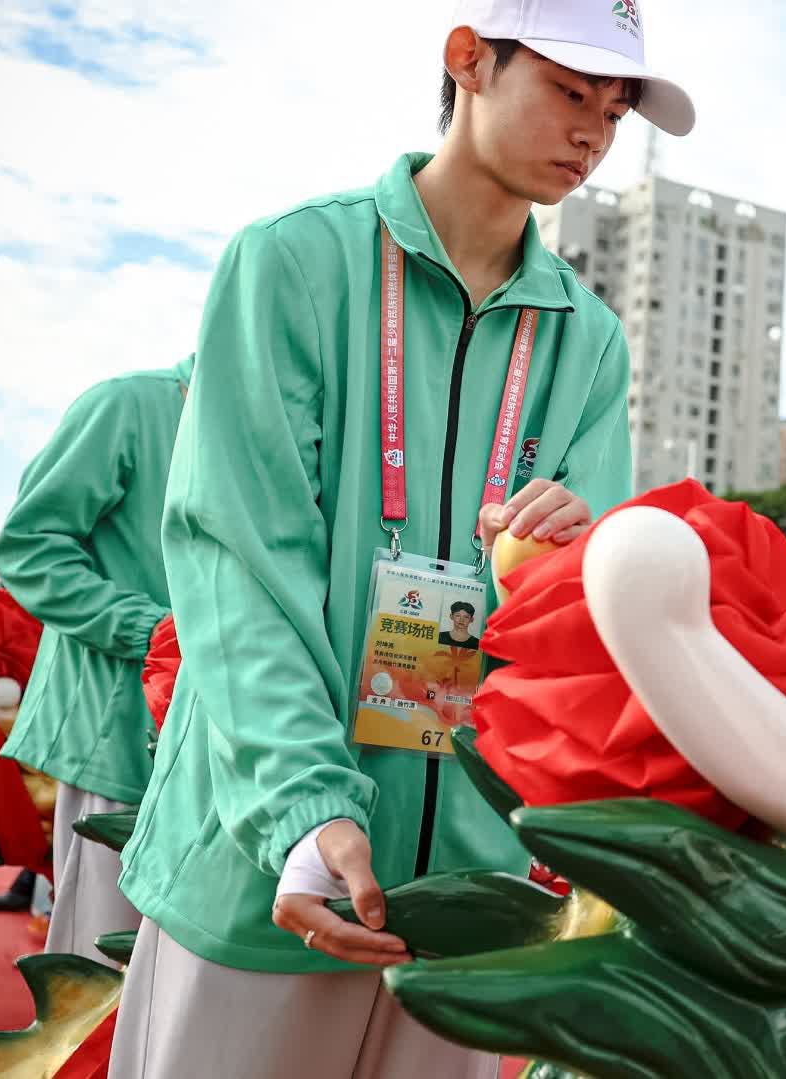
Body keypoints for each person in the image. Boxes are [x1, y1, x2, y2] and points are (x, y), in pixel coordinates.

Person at [108, 4, 693, 1075]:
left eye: (615, 111)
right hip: (267, 868)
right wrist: (306, 810)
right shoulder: (290, 262)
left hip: (468, 906)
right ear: (469, 59)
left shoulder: (591, 339)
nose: (595, 134)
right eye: (572, 93)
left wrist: (579, 555)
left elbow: (574, 639)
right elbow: (237, 564)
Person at [0, 356, 192, 958]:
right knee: (102, 965)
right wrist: (156, 632)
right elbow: (29, 550)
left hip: (231, 746)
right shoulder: (125, 405)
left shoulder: (288, 429)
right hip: (117, 739)